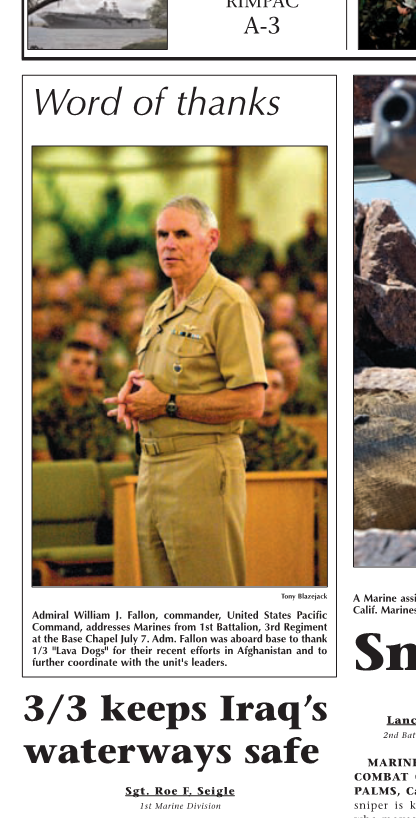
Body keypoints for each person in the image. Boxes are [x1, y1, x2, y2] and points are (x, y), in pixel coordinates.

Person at [107, 197, 267, 585]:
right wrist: (136, 395)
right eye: (162, 235)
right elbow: (166, 382)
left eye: (181, 234)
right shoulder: (160, 306)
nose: (169, 244)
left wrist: (165, 404)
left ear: (211, 240)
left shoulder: (229, 303)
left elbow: (252, 401)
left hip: (202, 467)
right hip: (151, 469)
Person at [32, 340, 130, 462]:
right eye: (75, 362)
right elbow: (45, 468)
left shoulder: (109, 411)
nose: (83, 369)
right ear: (60, 365)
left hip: (103, 480)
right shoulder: (40, 412)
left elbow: (121, 464)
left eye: (89, 364)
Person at [242, 368, 322, 471]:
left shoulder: (304, 440)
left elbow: (315, 481)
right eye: (263, 386)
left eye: (275, 386)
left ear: (284, 396)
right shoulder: (239, 439)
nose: (269, 392)